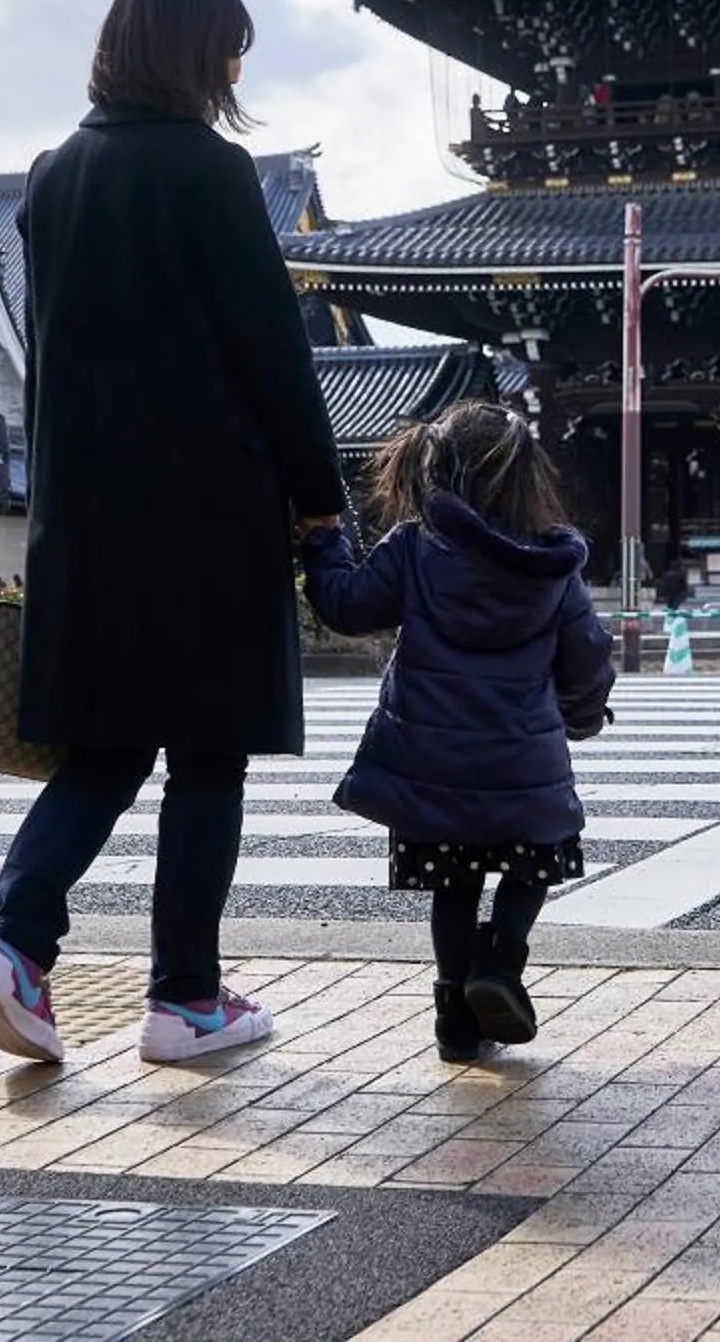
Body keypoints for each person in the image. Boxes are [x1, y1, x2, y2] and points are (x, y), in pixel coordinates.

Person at [0, 0, 346, 1070]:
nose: (234, 69)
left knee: (103, 746)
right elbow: (274, 355)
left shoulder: (54, 175)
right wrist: (323, 504)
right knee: (207, 758)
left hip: (86, 518)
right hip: (209, 517)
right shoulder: (212, 174)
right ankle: (185, 998)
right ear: (192, 50)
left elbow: (54, 364)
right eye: (229, 47)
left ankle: (15, 943)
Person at [301, 403, 614, 1061]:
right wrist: (582, 718)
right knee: (537, 858)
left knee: (454, 883)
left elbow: (347, 607)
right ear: (528, 476)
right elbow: (585, 654)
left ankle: (454, 1022)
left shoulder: (416, 547)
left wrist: (324, 541)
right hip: (521, 760)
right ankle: (499, 961)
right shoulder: (552, 563)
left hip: (431, 760)